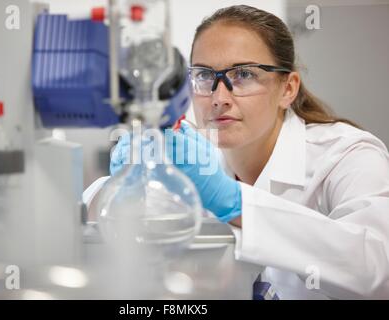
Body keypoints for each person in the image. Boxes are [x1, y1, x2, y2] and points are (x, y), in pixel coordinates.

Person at [87, 5, 389, 299]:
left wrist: (234, 202)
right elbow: (97, 217)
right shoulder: (196, 156)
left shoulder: (347, 156)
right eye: (204, 76)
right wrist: (124, 183)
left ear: (288, 88)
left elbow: (377, 271)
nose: (219, 98)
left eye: (243, 75)